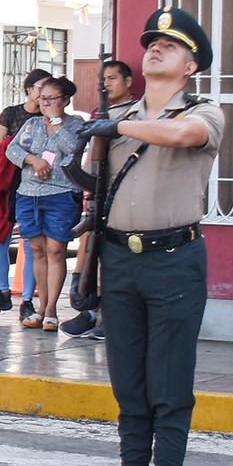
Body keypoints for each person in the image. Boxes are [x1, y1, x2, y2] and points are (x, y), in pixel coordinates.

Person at [77, 9, 223, 466]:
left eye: (170, 45)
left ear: (190, 66)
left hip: (173, 262)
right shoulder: (116, 115)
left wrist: (117, 126)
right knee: (129, 389)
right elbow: (98, 195)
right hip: (119, 262)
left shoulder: (204, 110)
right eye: (152, 42)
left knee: (169, 391)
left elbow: (184, 134)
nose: (156, 49)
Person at [60, 59, 137, 338]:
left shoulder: (136, 113)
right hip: (98, 191)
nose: (106, 84)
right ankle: (88, 310)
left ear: (128, 82)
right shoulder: (96, 114)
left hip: (123, 193)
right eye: (102, 80)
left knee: (113, 259)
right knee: (90, 253)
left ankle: (108, 315)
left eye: (113, 78)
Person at [6, 77, 85, 331]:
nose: (45, 103)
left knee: (55, 250)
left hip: (61, 194)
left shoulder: (76, 124)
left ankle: (51, 310)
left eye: (51, 98)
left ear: (65, 100)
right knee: (36, 250)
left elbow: (72, 148)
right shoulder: (31, 124)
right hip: (28, 194)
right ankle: (40, 308)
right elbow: (12, 150)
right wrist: (33, 160)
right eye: (42, 98)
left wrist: (56, 123)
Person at [0, 68, 51, 319]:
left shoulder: (49, 117)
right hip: (7, 183)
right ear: (29, 89)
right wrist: (21, 152)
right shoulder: (11, 113)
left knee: (31, 240)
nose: (45, 93)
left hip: (36, 184)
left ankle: (27, 299)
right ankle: (1, 291)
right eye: (41, 87)